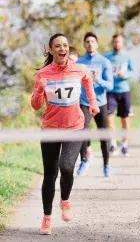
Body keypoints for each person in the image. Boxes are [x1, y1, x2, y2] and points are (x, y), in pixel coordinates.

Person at [31, 33, 99, 235]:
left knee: (67, 167)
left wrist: (93, 103)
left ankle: (65, 201)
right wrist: (39, 92)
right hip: (51, 129)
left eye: (66, 45)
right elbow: (35, 106)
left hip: (75, 127)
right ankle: (46, 219)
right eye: (58, 46)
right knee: (50, 175)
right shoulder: (43, 74)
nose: (63, 49)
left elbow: (88, 81)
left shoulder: (79, 69)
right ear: (50, 50)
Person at [77, 32, 113, 177]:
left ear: (97, 44)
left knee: (103, 134)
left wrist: (98, 80)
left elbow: (110, 85)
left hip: (100, 102)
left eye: (93, 41)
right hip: (84, 102)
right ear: (84, 44)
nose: (90, 44)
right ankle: (84, 160)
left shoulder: (104, 62)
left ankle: (106, 164)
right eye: (87, 41)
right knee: (82, 131)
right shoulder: (79, 62)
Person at [103, 34, 134, 157]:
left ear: (122, 43)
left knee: (125, 119)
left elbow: (132, 71)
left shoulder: (127, 57)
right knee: (109, 117)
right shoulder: (106, 57)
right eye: (115, 42)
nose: (117, 44)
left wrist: (125, 75)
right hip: (110, 91)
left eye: (119, 42)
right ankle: (113, 144)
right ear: (112, 43)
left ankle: (125, 145)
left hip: (124, 91)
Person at [69, 46, 94, 160]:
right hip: (70, 106)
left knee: (83, 127)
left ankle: (85, 152)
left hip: (83, 103)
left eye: (74, 61)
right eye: (70, 60)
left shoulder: (82, 71)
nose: (72, 64)